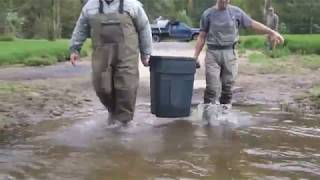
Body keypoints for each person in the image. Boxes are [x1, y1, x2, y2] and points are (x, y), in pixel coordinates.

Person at [70, 0, 152, 125]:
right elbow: (81, 27)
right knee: (102, 87)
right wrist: (75, 49)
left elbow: (144, 27)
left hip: (127, 54)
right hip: (101, 54)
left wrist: (146, 53)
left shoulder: (132, 5)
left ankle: (124, 123)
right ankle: (113, 112)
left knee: (126, 88)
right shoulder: (90, 6)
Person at [194, 0, 284, 114]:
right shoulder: (208, 14)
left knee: (227, 87)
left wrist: (272, 32)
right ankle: (207, 116)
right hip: (213, 54)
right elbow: (202, 37)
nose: (225, 1)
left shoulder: (236, 12)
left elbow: (252, 23)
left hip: (230, 53)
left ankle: (224, 114)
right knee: (212, 88)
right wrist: (195, 56)